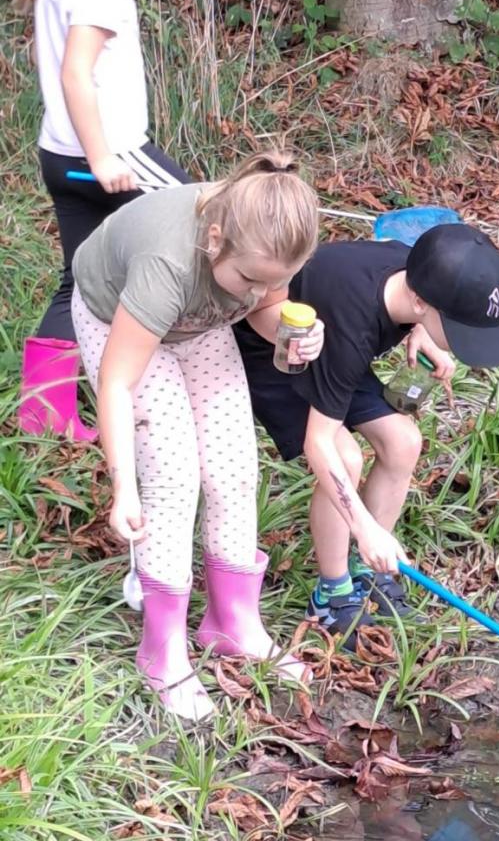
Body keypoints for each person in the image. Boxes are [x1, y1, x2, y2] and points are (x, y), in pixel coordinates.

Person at [70, 151, 322, 722]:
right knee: (172, 470)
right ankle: (162, 651)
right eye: (251, 279)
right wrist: (123, 487)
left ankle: (232, 623)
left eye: (276, 279)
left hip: (194, 319)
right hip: (122, 315)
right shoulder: (169, 262)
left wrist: (291, 332)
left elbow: (265, 310)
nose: (261, 289)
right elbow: (116, 382)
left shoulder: (263, 241)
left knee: (234, 465)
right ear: (214, 240)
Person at [234, 222, 499, 642]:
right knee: (344, 459)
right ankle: (331, 594)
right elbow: (319, 445)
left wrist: (424, 332)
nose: (469, 341)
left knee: (403, 442)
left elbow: (416, 296)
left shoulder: (415, 270)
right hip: (278, 354)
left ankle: (368, 575)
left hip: (333, 349)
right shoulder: (353, 323)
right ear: (423, 301)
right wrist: (364, 527)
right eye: (462, 327)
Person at [14, 0, 191, 442]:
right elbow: (75, 74)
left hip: (59, 154)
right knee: (208, 230)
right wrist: (105, 157)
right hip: (108, 156)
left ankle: (44, 409)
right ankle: (189, 386)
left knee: (80, 278)